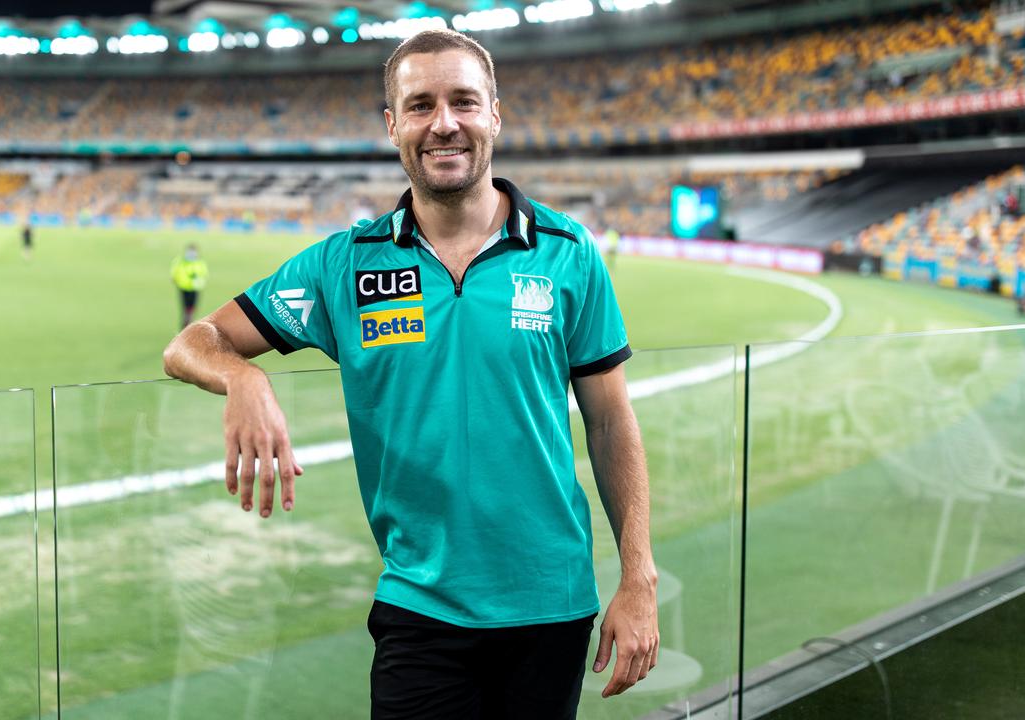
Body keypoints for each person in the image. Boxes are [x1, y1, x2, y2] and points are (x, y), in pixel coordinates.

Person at [162, 29, 657, 719]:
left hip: (550, 602)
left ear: (494, 115)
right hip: (419, 605)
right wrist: (245, 380)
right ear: (394, 125)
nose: (444, 123)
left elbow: (610, 422)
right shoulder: (343, 265)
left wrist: (639, 580)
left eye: (463, 101)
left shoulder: (568, 253)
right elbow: (192, 342)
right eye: (421, 105)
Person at [170, 243, 209, 329]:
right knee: (185, 308)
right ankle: (185, 326)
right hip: (183, 287)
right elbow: (174, 272)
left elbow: (204, 274)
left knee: (191, 309)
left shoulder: (200, 263)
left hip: (195, 289)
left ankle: (188, 325)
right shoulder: (180, 261)